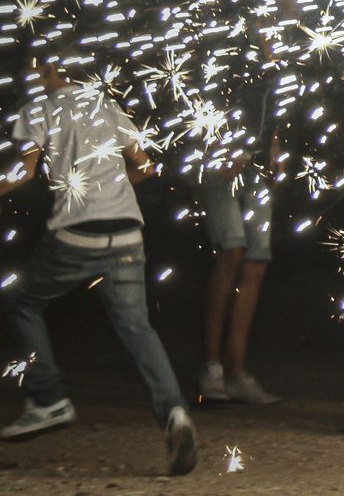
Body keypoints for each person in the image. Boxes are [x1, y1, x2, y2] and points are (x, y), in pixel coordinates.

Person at [0, 48, 198, 475]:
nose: (26, 77)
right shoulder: (104, 103)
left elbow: (24, 171)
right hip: (128, 230)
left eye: (32, 69)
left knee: (21, 302)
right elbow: (145, 166)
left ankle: (49, 399)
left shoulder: (38, 108)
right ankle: (175, 414)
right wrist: (108, 193)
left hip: (77, 233)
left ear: (49, 69)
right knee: (137, 327)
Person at [195, 11, 291, 405]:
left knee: (256, 262)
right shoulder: (229, 57)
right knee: (232, 251)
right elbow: (201, 107)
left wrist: (275, 147)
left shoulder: (279, 63)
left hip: (255, 170)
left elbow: (276, 112)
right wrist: (223, 146)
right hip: (220, 167)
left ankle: (237, 370)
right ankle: (212, 366)